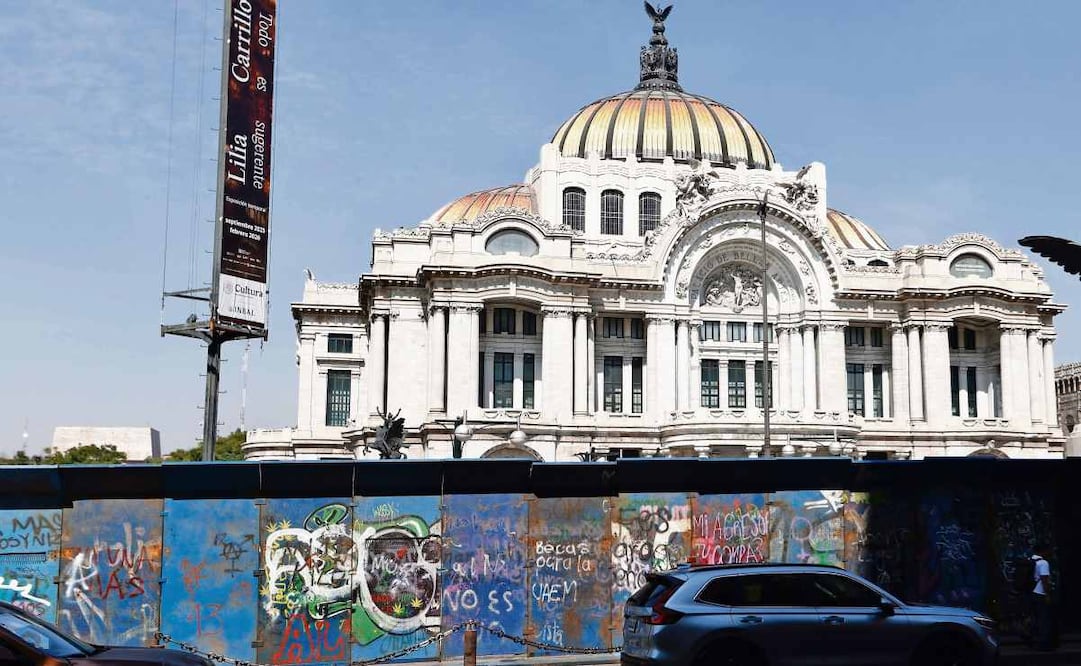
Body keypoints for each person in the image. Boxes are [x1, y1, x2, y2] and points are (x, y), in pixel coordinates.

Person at [1030, 545, 1055, 651]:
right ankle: (1044, 643)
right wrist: (1048, 594)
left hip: (1032, 592)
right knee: (1044, 618)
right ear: (1043, 551)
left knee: (1036, 617)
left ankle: (1034, 639)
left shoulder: (1031, 560)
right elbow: (1044, 579)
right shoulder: (1044, 563)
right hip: (1041, 593)